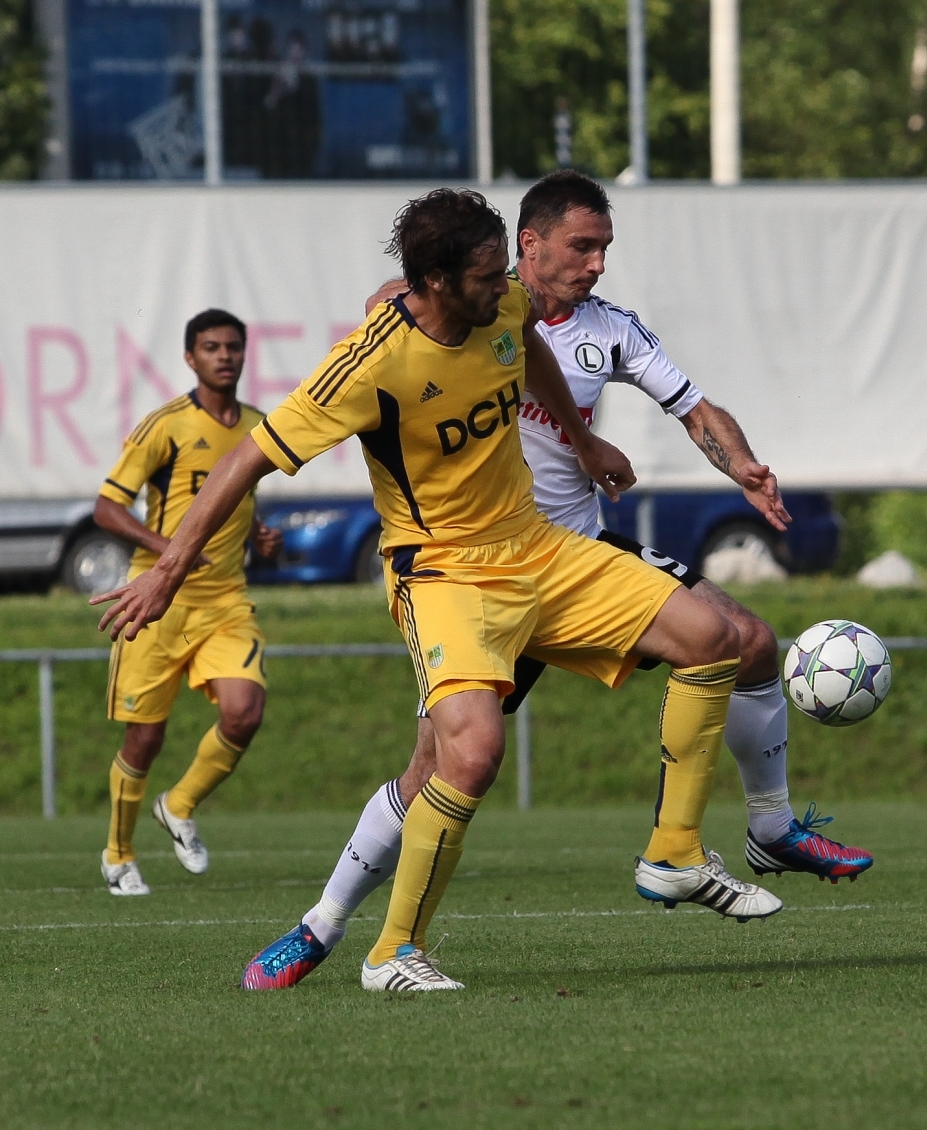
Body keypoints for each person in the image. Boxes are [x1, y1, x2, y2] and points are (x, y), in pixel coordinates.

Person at [94, 188, 782, 991]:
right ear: (437, 281)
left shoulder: (502, 305)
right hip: (444, 573)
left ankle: (673, 850)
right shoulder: (371, 363)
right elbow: (248, 459)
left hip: (537, 548)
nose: (507, 288)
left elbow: (527, 342)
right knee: (466, 755)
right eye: (489, 276)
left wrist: (587, 440)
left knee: (716, 639)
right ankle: (385, 951)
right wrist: (170, 567)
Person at [240, 172, 872, 991]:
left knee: (741, 640)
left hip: (563, 555)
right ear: (525, 247)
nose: (597, 264)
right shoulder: (457, 308)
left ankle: (761, 829)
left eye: (606, 247)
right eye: (582, 246)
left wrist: (741, 463)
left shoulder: (607, 332)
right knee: (435, 768)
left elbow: (696, 408)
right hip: (466, 585)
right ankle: (322, 923)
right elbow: (388, 307)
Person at [95, 309, 282, 896]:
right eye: (211, 347)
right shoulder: (167, 426)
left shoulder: (258, 426)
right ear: (190, 357)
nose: (224, 355)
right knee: (143, 740)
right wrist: (169, 551)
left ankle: (178, 805)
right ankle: (118, 855)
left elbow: (235, 498)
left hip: (225, 599)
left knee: (244, 712)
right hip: (155, 602)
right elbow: (107, 508)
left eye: (232, 347)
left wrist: (260, 537)